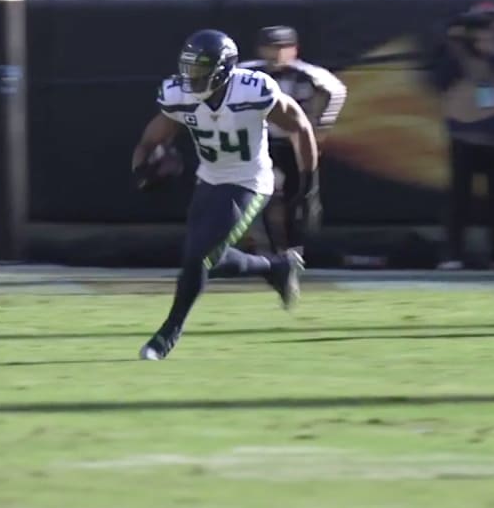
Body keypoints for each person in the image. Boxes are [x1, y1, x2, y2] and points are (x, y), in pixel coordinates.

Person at [130, 30, 316, 361]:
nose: (193, 77)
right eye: (189, 68)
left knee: (196, 257)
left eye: (201, 69)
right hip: (210, 180)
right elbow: (150, 139)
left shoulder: (252, 90)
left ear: (223, 69)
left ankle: (167, 334)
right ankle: (276, 268)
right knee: (208, 257)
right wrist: (142, 170)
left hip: (249, 181)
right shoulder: (179, 94)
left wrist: (308, 182)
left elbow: (299, 126)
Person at [433, 4, 494, 270]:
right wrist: (456, 44)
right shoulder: (455, 51)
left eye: (493, 22)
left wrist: (491, 53)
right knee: (458, 198)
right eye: (481, 24)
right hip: (465, 132)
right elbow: (440, 80)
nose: (489, 28)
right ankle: (453, 254)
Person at [241, 26, 346, 258]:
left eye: (283, 48)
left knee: (298, 198)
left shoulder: (309, 74)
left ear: (294, 50)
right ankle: (269, 250)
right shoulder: (246, 73)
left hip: (296, 143)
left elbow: (337, 91)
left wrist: (321, 127)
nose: (277, 54)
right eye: (271, 47)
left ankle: (293, 249)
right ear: (261, 49)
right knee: (264, 194)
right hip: (263, 143)